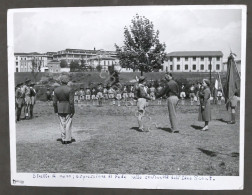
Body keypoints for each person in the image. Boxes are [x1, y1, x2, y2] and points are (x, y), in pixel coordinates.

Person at [53, 75, 75, 144]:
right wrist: (73, 110)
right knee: (68, 123)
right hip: (68, 107)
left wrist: (56, 110)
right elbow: (71, 102)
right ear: (67, 81)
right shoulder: (70, 89)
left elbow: (54, 102)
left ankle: (63, 138)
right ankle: (67, 139)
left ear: (61, 81)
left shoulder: (56, 90)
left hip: (60, 107)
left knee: (62, 124)